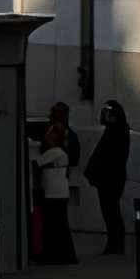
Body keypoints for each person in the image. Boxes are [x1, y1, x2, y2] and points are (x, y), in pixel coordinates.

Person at [84, 102, 130, 254]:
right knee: (110, 211)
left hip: (110, 178)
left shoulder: (117, 131)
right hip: (110, 177)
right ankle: (114, 243)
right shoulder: (115, 131)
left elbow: (108, 156)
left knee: (111, 211)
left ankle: (115, 243)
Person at [35, 108, 78, 263]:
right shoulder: (60, 152)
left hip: (53, 194)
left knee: (53, 228)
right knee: (60, 227)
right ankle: (64, 256)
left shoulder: (55, 152)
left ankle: (55, 256)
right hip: (59, 193)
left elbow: (37, 162)